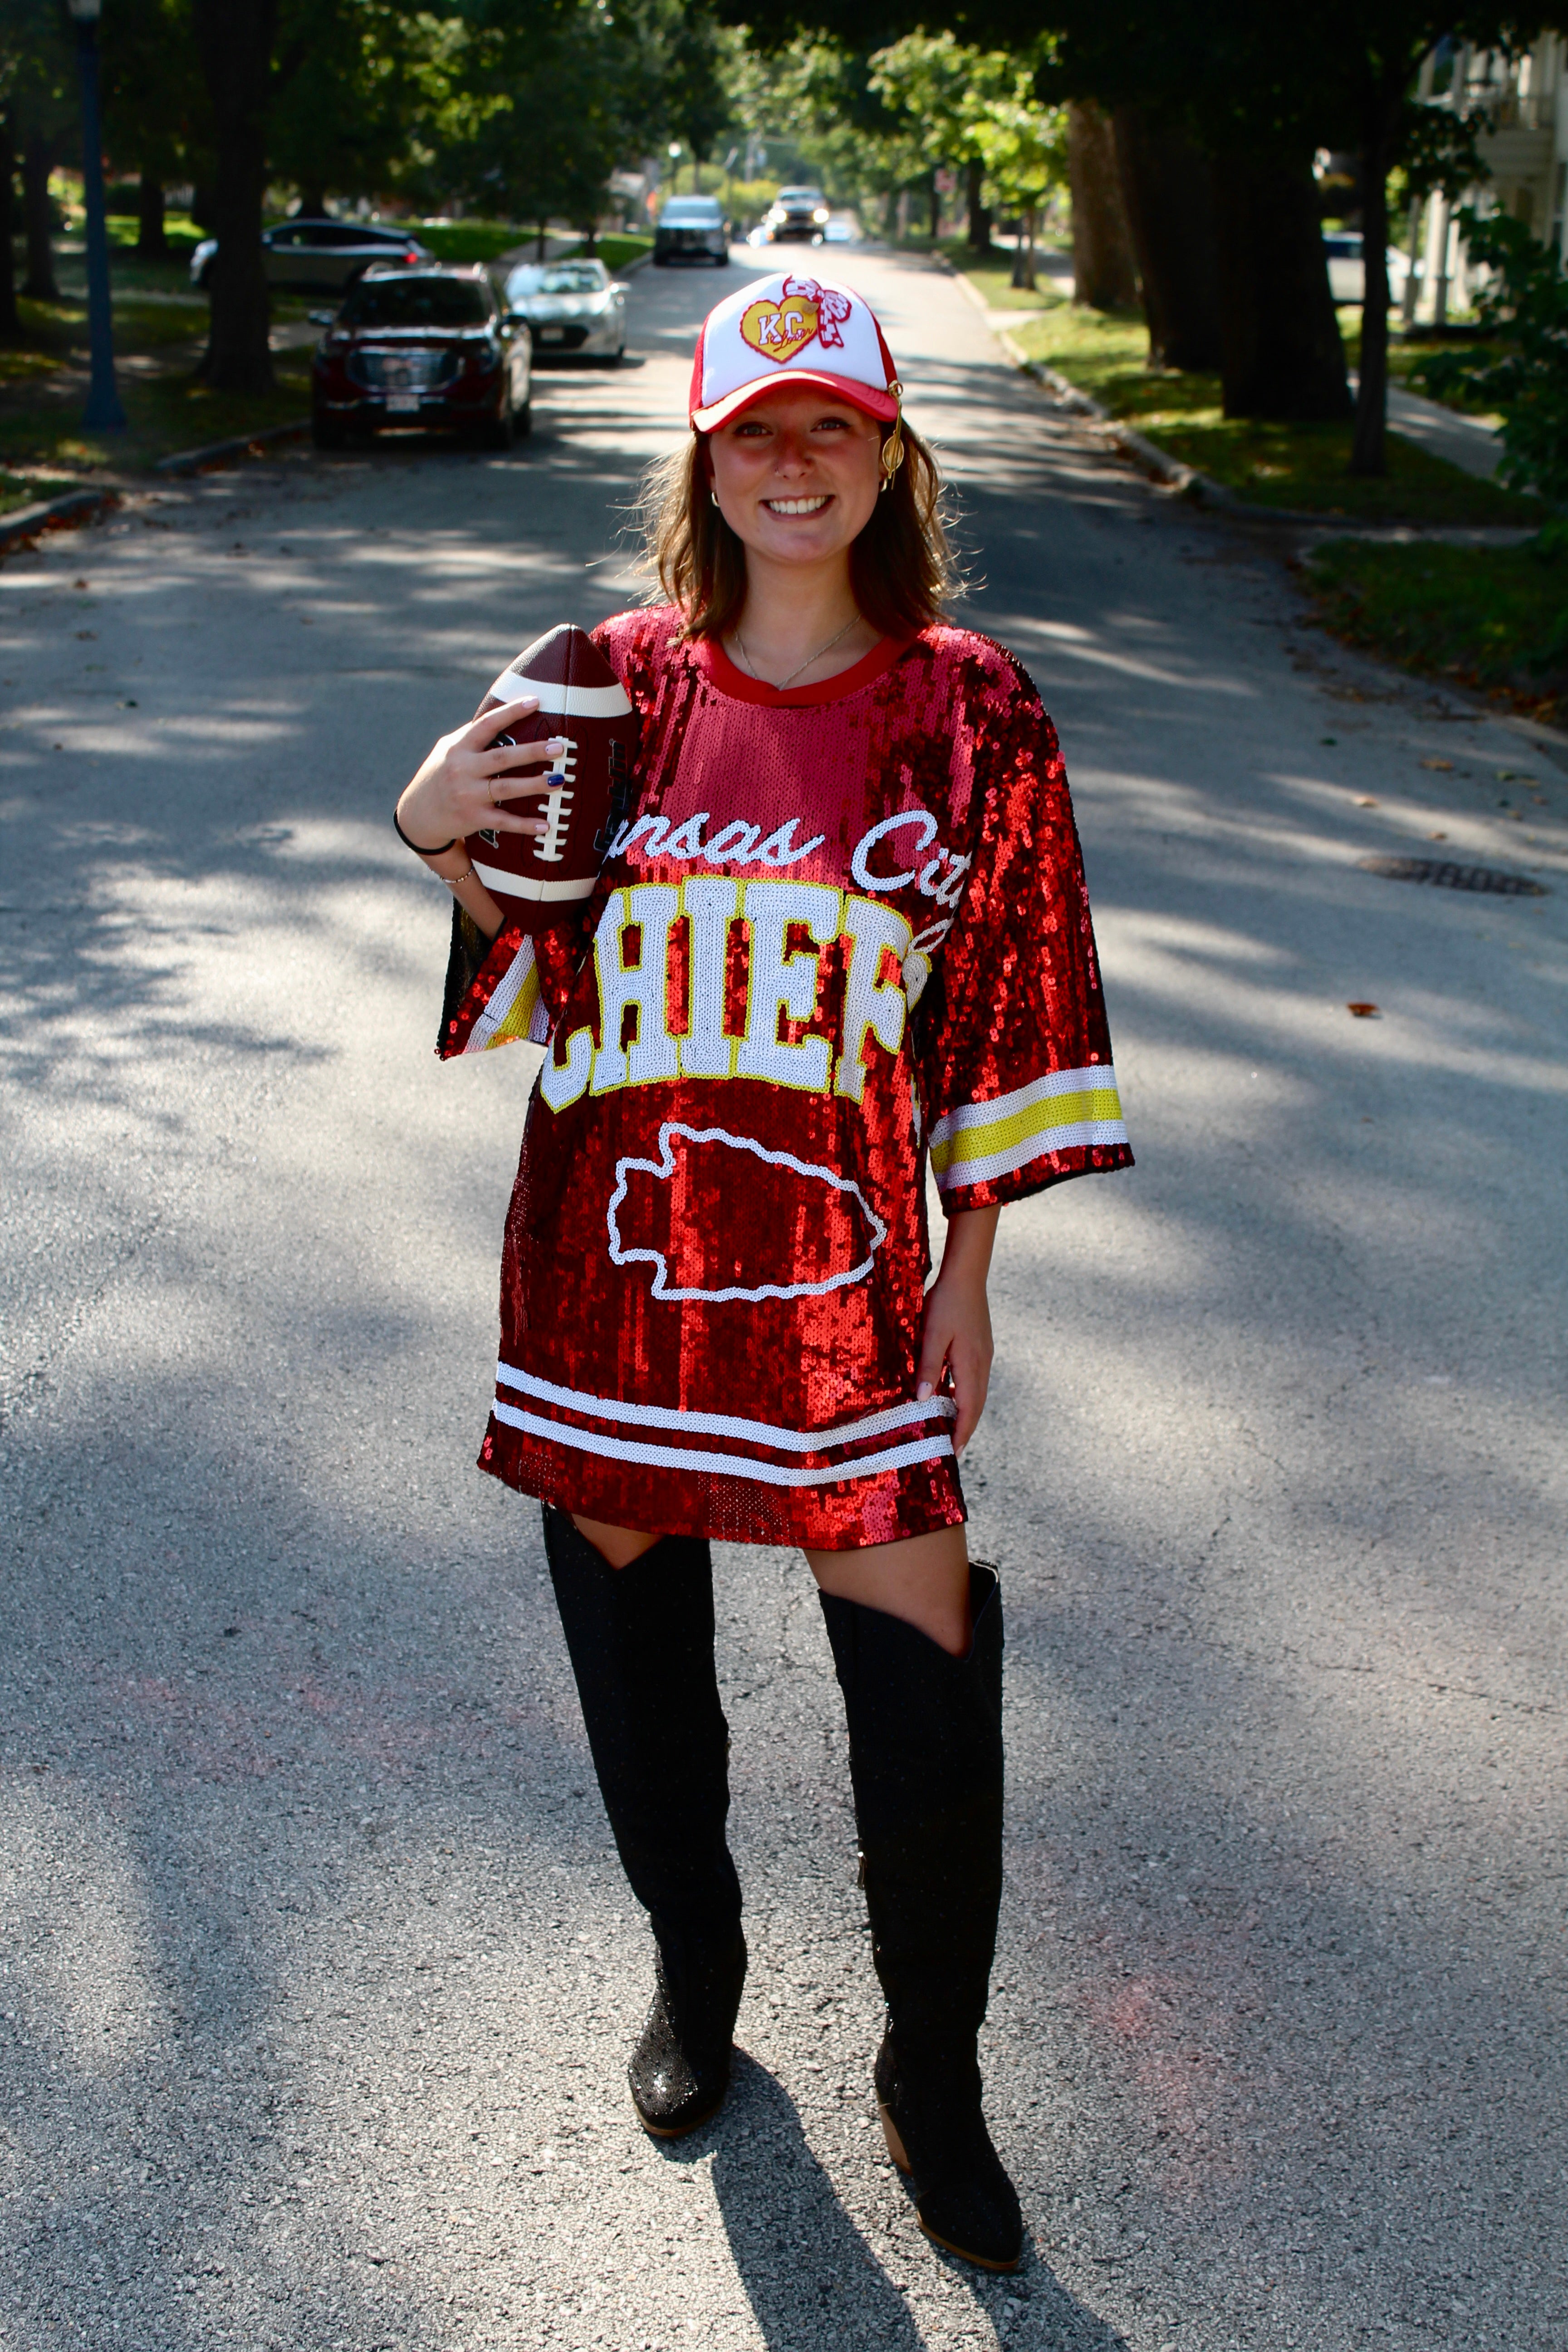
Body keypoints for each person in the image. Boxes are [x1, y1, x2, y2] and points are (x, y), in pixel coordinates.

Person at [393, 269, 1132, 2274]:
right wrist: (428, 821)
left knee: (923, 1677)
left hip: (846, 1282)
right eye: (755, 430)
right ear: (703, 460)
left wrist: (972, 1264)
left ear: (889, 455)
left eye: (831, 428)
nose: (792, 463)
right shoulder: (608, 684)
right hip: (609, 1276)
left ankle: (935, 2076)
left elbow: (1006, 1000)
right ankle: (695, 1974)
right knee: (640, 1677)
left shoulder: (969, 704)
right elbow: (532, 939)